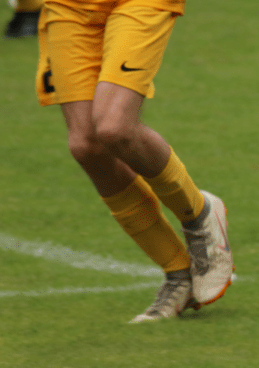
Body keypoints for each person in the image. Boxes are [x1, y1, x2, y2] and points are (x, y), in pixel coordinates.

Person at [35, 0, 233, 322]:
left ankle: (198, 214)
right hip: (68, 6)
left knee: (115, 127)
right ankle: (177, 274)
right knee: (87, 146)